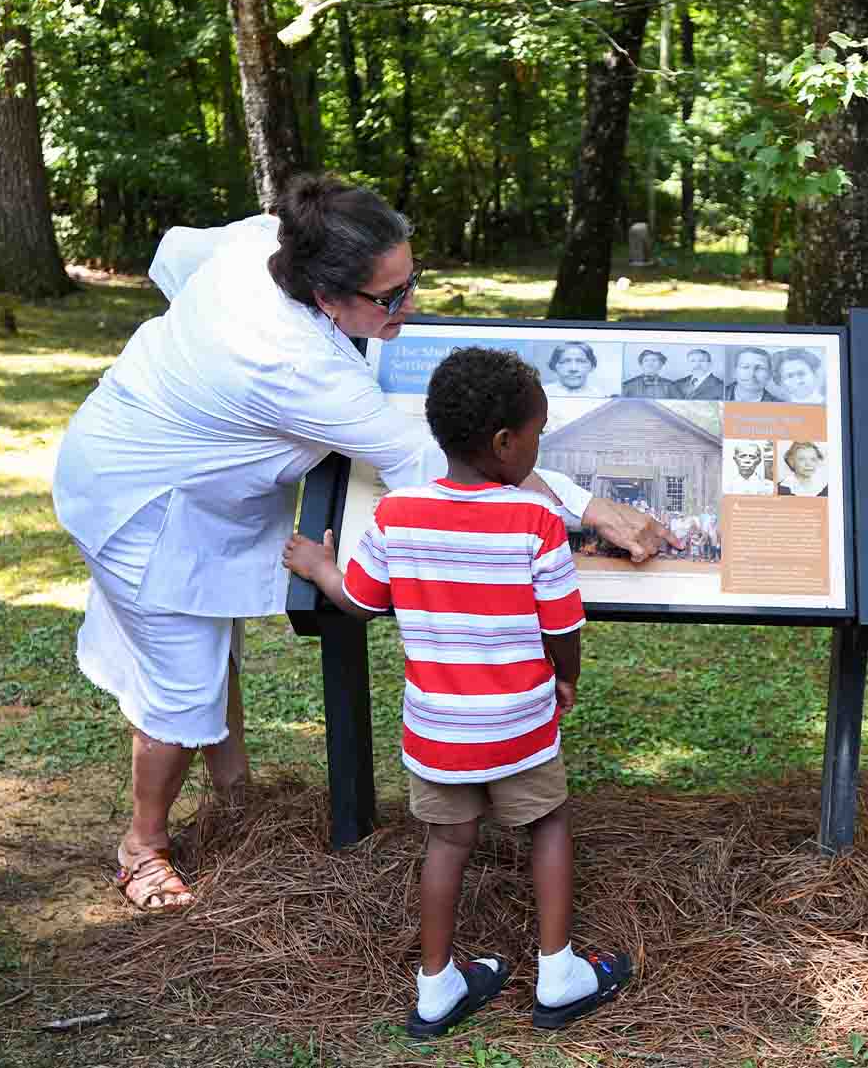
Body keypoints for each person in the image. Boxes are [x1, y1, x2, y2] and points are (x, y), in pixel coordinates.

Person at [52, 174, 674, 916]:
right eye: (390, 298)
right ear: (325, 297)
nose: (409, 306)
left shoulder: (266, 239)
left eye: (411, 281)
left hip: (203, 482)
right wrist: (589, 505)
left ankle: (237, 798)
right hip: (141, 499)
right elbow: (436, 457)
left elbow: (173, 260)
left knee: (218, 645)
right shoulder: (291, 363)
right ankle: (142, 847)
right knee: (182, 680)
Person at [282, 347, 634, 1036]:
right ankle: (559, 974)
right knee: (549, 823)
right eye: (537, 432)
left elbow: (358, 598)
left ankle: (437, 985)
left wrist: (320, 565)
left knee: (446, 844)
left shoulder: (397, 514)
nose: (540, 444)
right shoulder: (535, 522)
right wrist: (568, 676)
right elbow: (563, 626)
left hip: (438, 731)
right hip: (521, 726)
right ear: (505, 443)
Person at [542, 341, 619, 399]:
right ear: (555, 366)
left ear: (591, 366)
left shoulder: (601, 397)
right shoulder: (541, 394)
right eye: (565, 361)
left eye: (580, 361)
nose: (573, 369)